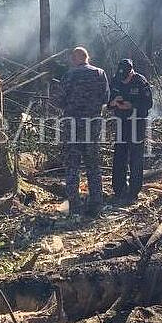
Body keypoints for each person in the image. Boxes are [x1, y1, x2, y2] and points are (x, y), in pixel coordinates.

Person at [55, 46, 109, 216]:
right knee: (93, 165)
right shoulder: (100, 73)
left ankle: (75, 206)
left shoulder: (69, 75)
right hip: (92, 126)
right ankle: (96, 205)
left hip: (72, 126)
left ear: (74, 59)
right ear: (87, 57)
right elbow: (106, 98)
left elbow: (59, 101)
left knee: (72, 166)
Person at [108, 58, 153, 203]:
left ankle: (134, 191)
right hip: (121, 122)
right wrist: (113, 102)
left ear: (131, 72)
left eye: (126, 77)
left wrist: (132, 105)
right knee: (119, 155)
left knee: (136, 157)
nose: (124, 79)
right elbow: (107, 101)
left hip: (137, 123)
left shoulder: (141, 82)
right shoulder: (116, 80)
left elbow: (148, 103)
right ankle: (118, 189)